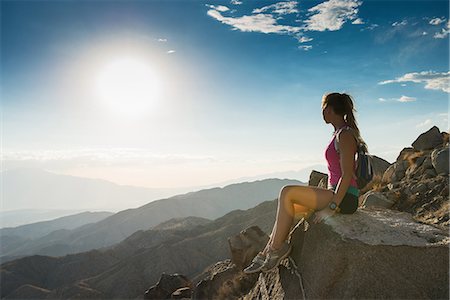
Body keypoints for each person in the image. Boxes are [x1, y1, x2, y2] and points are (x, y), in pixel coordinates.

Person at [243, 92, 368, 274]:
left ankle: (275, 250)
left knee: (287, 192)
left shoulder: (346, 135)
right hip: (336, 193)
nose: (321, 112)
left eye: (323, 108)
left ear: (329, 109)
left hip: (345, 198)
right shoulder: (339, 134)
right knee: (287, 207)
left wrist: (331, 207)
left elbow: (347, 175)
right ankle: (270, 251)